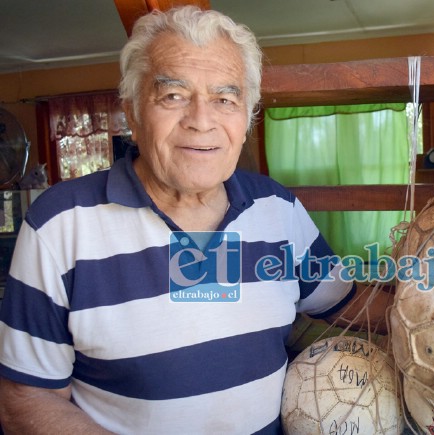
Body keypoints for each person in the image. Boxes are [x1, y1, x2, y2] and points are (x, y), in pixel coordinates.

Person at [0, 6, 387, 434]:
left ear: (246, 120)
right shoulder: (59, 225)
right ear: (131, 111)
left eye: (225, 99)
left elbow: (346, 302)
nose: (202, 121)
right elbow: (26, 398)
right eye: (173, 96)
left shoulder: (278, 209)